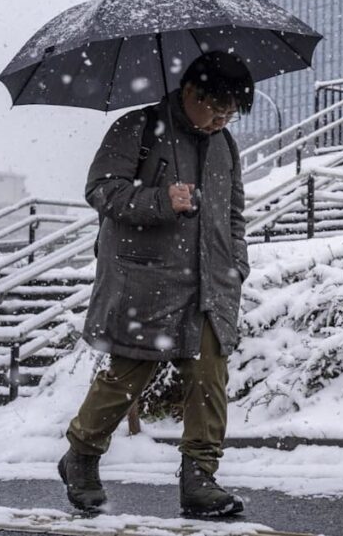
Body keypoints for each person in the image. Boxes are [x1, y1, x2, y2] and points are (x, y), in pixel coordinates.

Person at [59, 51, 252, 518]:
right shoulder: (138, 129)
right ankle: (81, 456)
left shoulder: (224, 145)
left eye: (230, 114)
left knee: (210, 378)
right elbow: (101, 189)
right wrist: (160, 200)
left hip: (210, 283)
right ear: (190, 92)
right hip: (147, 280)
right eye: (216, 109)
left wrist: (236, 264)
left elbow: (234, 215)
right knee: (128, 376)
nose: (221, 120)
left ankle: (200, 480)